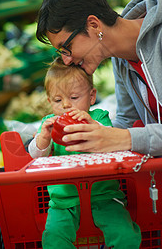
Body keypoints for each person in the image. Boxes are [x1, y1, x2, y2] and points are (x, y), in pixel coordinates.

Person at [36, 0, 162, 156]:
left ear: (94, 25)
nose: (66, 60)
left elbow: (125, 135)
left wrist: (124, 138)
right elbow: (127, 121)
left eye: (67, 47)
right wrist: (92, 127)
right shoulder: (121, 59)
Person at [28, 56, 141, 249]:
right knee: (53, 239)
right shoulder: (49, 123)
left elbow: (110, 141)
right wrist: (43, 139)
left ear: (91, 96)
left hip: (104, 196)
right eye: (57, 100)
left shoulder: (99, 117)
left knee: (126, 235)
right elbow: (35, 156)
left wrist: (91, 124)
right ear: (49, 101)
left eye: (73, 98)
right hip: (63, 202)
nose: (65, 105)